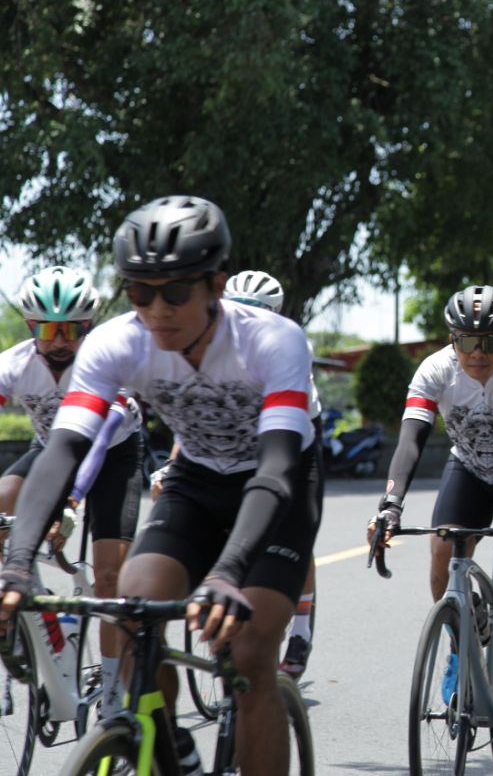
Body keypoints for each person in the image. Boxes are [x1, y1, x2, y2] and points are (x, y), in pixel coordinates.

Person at [0, 196, 323, 776]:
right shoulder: (117, 342)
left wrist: (226, 572)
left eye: (174, 292)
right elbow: (63, 449)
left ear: (215, 286)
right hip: (198, 478)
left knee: (249, 657)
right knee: (132, 609)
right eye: (139, 292)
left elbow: (275, 468)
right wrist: (18, 563)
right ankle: (172, 747)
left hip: (279, 484)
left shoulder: (273, 340)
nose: (156, 310)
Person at [371, 284, 493, 741]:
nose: (478, 352)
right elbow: (410, 439)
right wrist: (390, 505)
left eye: (490, 341)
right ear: (453, 340)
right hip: (470, 467)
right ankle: (459, 644)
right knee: (441, 553)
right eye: (467, 341)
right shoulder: (435, 370)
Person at [0, 266, 143, 716]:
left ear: (89, 328)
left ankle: (116, 700)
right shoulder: (15, 364)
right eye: (47, 328)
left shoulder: (103, 364)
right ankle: (17, 629)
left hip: (112, 456)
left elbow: (100, 442)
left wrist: (73, 501)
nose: (59, 340)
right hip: (52, 450)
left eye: (71, 329)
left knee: (108, 578)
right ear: (30, 327)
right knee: (2, 500)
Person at [222, 269, 321, 681]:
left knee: (289, 528)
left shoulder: (288, 350)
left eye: (257, 314)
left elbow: (282, 443)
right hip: (239, 443)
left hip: (292, 442)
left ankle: (300, 626)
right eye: (237, 313)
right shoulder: (211, 347)